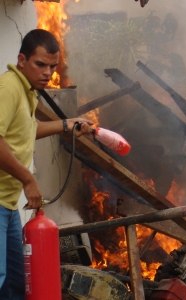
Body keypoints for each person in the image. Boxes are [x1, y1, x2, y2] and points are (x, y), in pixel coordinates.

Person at [0, 29, 93, 299]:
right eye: (40, 64)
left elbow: (29, 129)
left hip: (7, 204)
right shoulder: (9, 88)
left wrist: (67, 124)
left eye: (52, 66)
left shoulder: (27, 90)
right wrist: (28, 180)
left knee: (18, 282)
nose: (47, 73)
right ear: (21, 60)